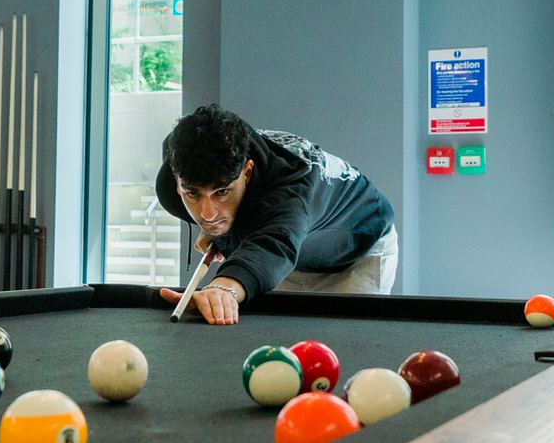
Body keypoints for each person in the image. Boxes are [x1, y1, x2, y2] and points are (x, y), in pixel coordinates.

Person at [154, 105, 397, 325]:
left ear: (247, 173)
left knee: (346, 349)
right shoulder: (179, 169)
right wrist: (219, 230)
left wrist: (224, 287)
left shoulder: (289, 193)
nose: (207, 213)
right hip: (293, 256)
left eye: (222, 192)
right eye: (193, 195)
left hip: (358, 249)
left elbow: (273, 244)